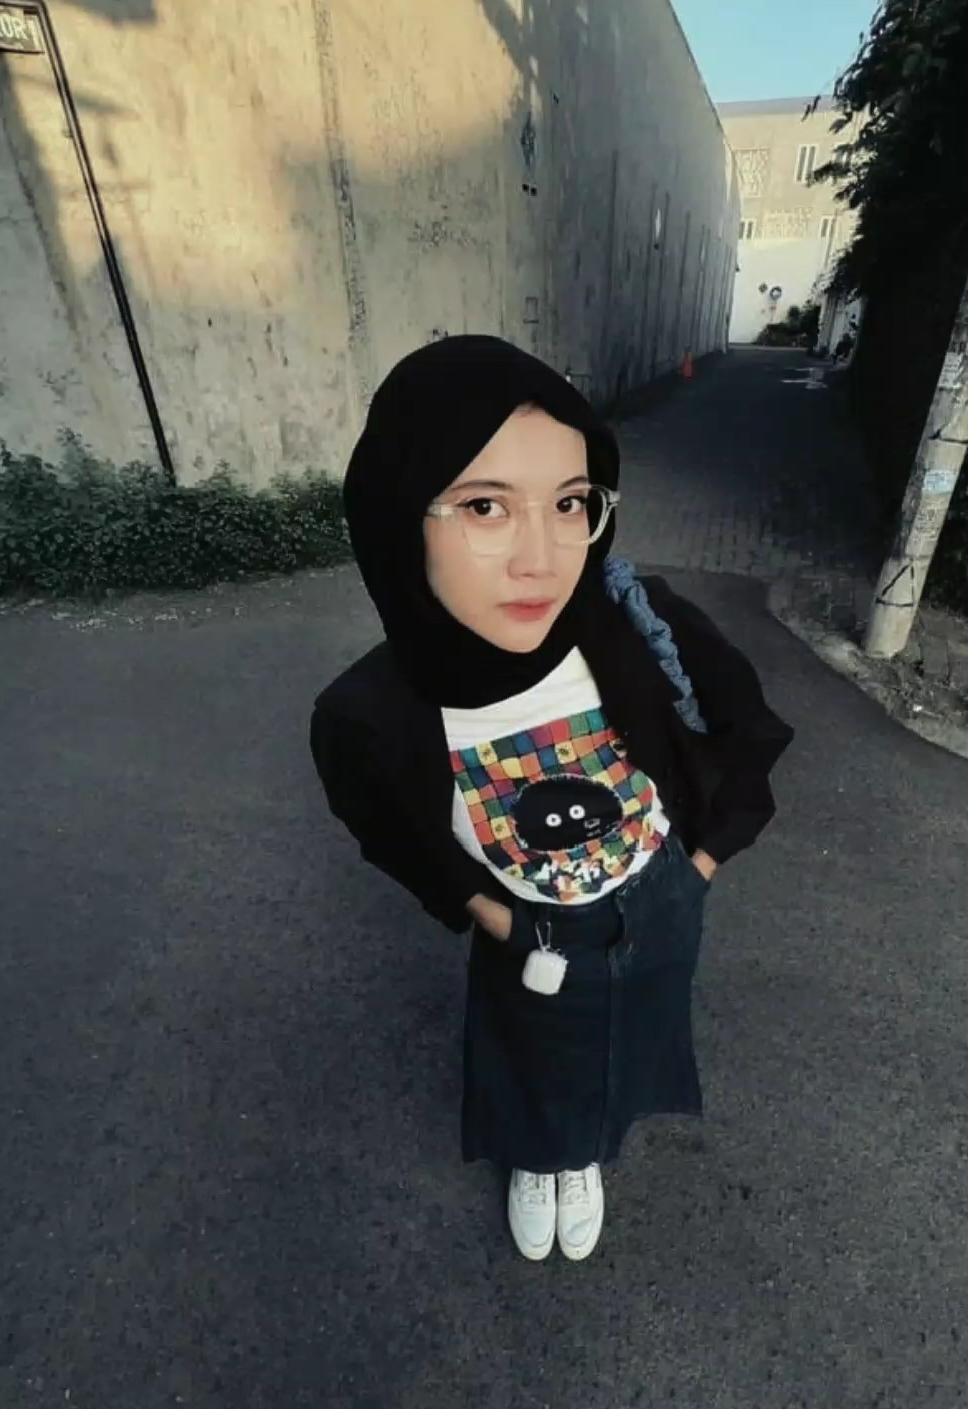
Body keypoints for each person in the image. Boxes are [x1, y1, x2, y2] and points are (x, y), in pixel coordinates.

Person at [309, 335, 793, 1263]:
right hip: (528, 924)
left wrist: (695, 867)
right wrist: (489, 912)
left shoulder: (636, 622)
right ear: (398, 516)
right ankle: (541, 1154)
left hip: (658, 893)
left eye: (570, 503)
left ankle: (586, 1153)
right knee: (530, 1041)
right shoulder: (370, 716)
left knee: (633, 1030)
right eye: (485, 505)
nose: (541, 559)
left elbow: (747, 727)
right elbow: (387, 828)